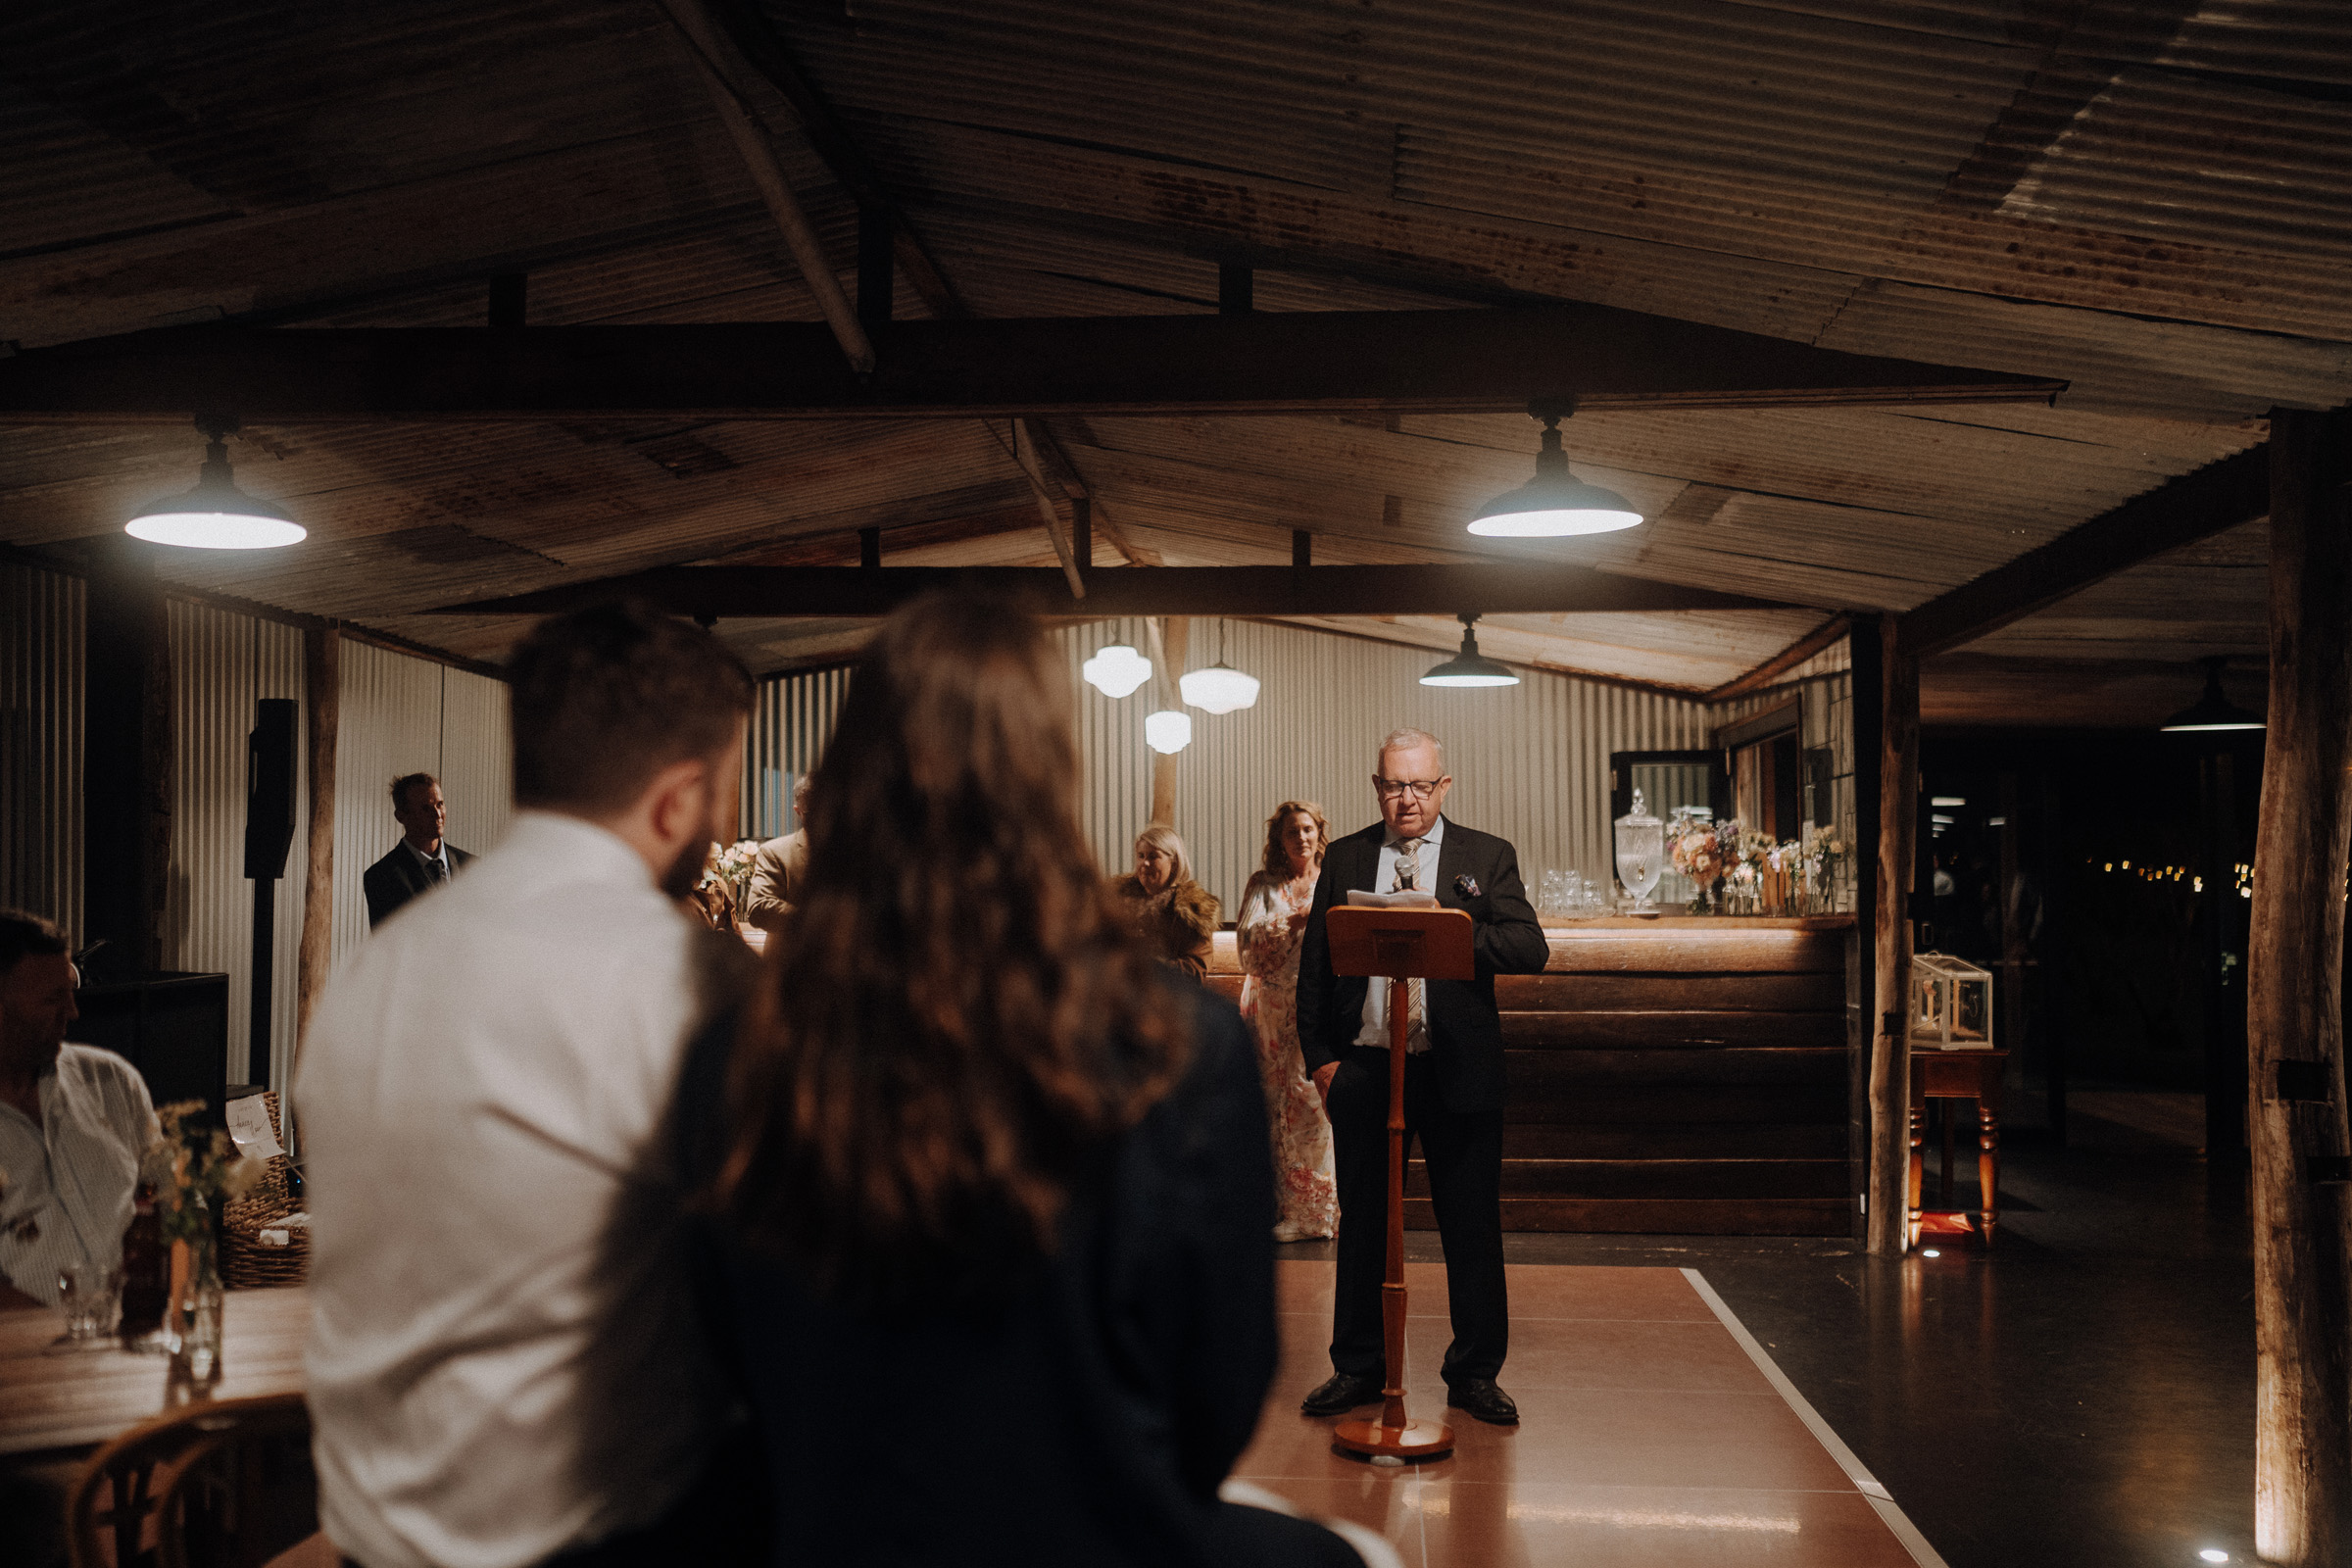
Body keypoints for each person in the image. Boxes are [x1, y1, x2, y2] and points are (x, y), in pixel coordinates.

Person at [680, 592, 1392, 1568]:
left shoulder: (739, 1046)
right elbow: (1218, 1393)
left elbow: (721, 1365)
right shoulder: (1175, 1045)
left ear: (853, 777)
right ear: (1053, 778)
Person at [297, 603, 760, 1568]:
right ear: (678, 802)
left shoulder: (364, 978)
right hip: (596, 1542)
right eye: (720, 795)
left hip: (370, 1536)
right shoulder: (687, 978)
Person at [1295, 728, 1547, 1429]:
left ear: (1443, 786)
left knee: (1470, 1225)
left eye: (1418, 785)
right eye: (1391, 785)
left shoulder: (1485, 857)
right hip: (1366, 1068)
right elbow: (1314, 968)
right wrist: (1322, 1062)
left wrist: (1452, 927)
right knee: (1366, 1224)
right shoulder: (1346, 856)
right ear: (1376, 787)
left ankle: (1474, 1373)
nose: (1404, 799)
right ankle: (1359, 1365)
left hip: (1456, 1070)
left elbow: (1531, 947)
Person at [0, 910, 156, 1311]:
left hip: (135, 1335)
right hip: (24, 1361)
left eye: (70, 992)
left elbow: (177, 1201)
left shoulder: (112, 1080)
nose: (72, 1012)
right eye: (53, 999)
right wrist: (60, 1333)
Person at [1235, 801, 1338, 1242]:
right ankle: (1274, 1208)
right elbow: (1247, 948)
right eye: (1292, 830)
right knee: (1270, 1102)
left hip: (1317, 1003)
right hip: (1269, 1007)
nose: (1301, 837)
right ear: (1280, 838)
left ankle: (1316, 1212)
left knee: (1311, 1102)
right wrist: (1292, 920)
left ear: (1319, 833)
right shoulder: (1264, 885)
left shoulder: (1332, 881)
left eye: (1308, 828)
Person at [363, 772, 475, 928]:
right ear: (401, 816)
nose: (437, 814)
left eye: (440, 804)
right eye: (425, 808)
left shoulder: (473, 866)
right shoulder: (381, 877)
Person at [1111, 823, 1219, 981]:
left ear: (1174, 862)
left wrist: (1148, 972)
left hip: (1167, 998)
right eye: (1141, 856)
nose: (1145, 863)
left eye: (1153, 856)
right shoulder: (1115, 900)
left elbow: (1196, 966)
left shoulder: (1193, 909)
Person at [740, 777, 811, 933]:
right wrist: (812, 921)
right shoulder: (775, 851)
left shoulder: (854, 851)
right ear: (797, 810)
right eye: (811, 810)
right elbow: (757, 906)